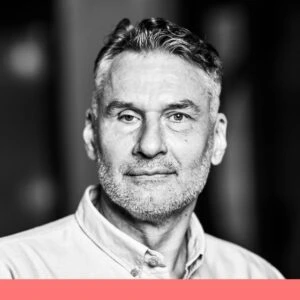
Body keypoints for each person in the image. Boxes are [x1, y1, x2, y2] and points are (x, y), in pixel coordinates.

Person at [0, 17, 283, 279]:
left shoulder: (260, 279)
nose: (149, 145)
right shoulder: (14, 272)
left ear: (217, 139)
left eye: (177, 117)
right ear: (90, 135)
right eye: (127, 117)